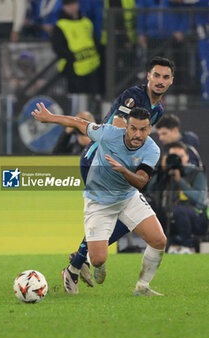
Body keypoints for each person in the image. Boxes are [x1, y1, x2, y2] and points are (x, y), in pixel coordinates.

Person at [60, 56, 174, 291]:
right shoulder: (135, 96)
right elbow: (120, 125)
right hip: (97, 159)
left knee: (126, 209)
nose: (160, 81)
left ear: (171, 80)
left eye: (166, 77)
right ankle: (83, 259)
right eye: (157, 75)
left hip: (122, 163)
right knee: (117, 206)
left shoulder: (158, 109)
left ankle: (80, 261)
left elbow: (141, 139)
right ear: (148, 77)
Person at [32, 103, 167, 296]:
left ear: (150, 129)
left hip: (128, 198)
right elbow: (79, 123)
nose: (138, 134)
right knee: (97, 259)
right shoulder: (108, 133)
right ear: (126, 127)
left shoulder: (152, 149)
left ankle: (142, 287)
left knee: (159, 240)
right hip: (99, 202)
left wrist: (122, 170)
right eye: (133, 128)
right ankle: (91, 265)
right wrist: (50, 117)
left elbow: (141, 182)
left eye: (143, 129)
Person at [148, 141, 208, 254]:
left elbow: (200, 199)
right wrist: (161, 171)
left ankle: (187, 245)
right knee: (151, 208)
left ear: (187, 157)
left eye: (180, 156)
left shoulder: (196, 173)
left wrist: (180, 181)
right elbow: (150, 191)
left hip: (196, 217)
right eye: (173, 157)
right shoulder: (166, 174)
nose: (177, 160)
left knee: (179, 210)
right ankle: (158, 246)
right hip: (170, 216)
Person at [50, 0, 101, 94]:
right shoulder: (60, 25)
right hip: (73, 69)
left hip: (92, 66)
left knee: (93, 96)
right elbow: (58, 47)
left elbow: (95, 41)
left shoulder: (87, 22)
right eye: (68, 5)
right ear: (63, 7)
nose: (72, 7)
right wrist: (73, 58)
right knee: (77, 97)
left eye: (73, 4)